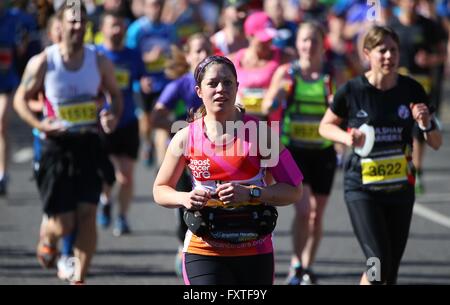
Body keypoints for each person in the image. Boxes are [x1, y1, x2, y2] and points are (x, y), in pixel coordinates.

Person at [153, 55, 303, 285]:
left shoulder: (261, 134)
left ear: (237, 87)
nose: (221, 89)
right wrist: (186, 197)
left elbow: (294, 189)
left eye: (228, 82)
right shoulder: (185, 137)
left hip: (255, 250)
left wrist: (253, 193)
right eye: (213, 83)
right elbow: (160, 189)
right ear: (199, 91)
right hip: (203, 250)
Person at [319, 25, 442, 285]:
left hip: (400, 188)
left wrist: (425, 123)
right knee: (377, 262)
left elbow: (436, 142)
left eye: (394, 50)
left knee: (390, 271)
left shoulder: (411, 89)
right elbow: (325, 125)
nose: (389, 56)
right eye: (382, 50)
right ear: (367, 54)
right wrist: (346, 137)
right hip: (363, 187)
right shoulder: (352, 90)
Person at [13, 3, 122, 284]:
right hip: (55, 147)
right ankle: (48, 234)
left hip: (87, 143)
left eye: (82, 21)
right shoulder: (44, 61)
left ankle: (79, 278)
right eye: (72, 21)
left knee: (88, 213)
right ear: (59, 25)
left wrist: (111, 116)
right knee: (64, 223)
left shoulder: (98, 61)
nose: (78, 26)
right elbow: (20, 101)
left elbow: (115, 96)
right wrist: (40, 125)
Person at [263, 21, 343, 285]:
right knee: (304, 210)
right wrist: (277, 96)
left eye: (314, 41)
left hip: (323, 152)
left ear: (323, 45)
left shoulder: (333, 75)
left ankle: (307, 264)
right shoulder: (287, 72)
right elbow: (267, 105)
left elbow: (347, 111)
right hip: (294, 151)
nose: (309, 46)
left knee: (317, 215)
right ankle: (296, 264)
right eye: (304, 41)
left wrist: (339, 108)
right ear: (297, 45)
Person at [150, 33, 213, 276]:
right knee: (187, 203)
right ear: (187, 57)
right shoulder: (178, 85)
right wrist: (184, 130)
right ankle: (183, 246)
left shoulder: (219, 83)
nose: (202, 56)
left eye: (206, 49)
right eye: (197, 51)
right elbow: (156, 116)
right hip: (185, 158)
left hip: (216, 156)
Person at [96, 10, 148, 237]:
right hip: (101, 123)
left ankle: (122, 217)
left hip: (127, 120)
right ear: (102, 30)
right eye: (112, 26)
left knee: (126, 176)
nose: (117, 30)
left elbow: (142, 79)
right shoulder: (95, 55)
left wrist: (146, 83)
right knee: (106, 175)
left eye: (120, 26)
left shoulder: (133, 55)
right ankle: (105, 199)